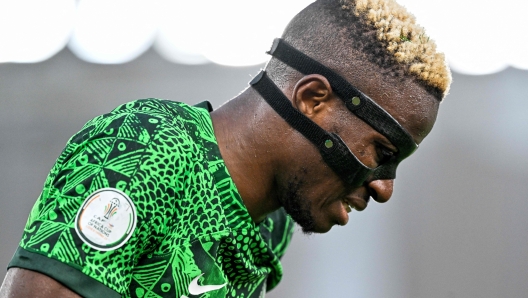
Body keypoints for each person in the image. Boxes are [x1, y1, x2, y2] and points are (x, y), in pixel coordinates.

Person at [0, 0, 451, 297]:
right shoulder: (146, 146)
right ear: (313, 100)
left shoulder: (275, 220)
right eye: (382, 151)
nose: (385, 188)